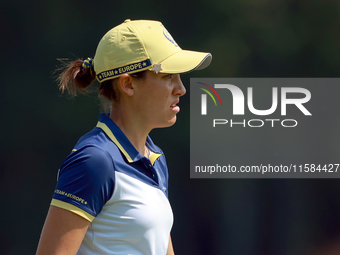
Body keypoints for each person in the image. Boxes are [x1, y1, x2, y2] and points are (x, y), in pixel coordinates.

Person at [36, 19, 212, 255]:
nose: (181, 89)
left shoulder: (155, 159)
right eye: (168, 76)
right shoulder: (94, 161)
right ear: (128, 84)